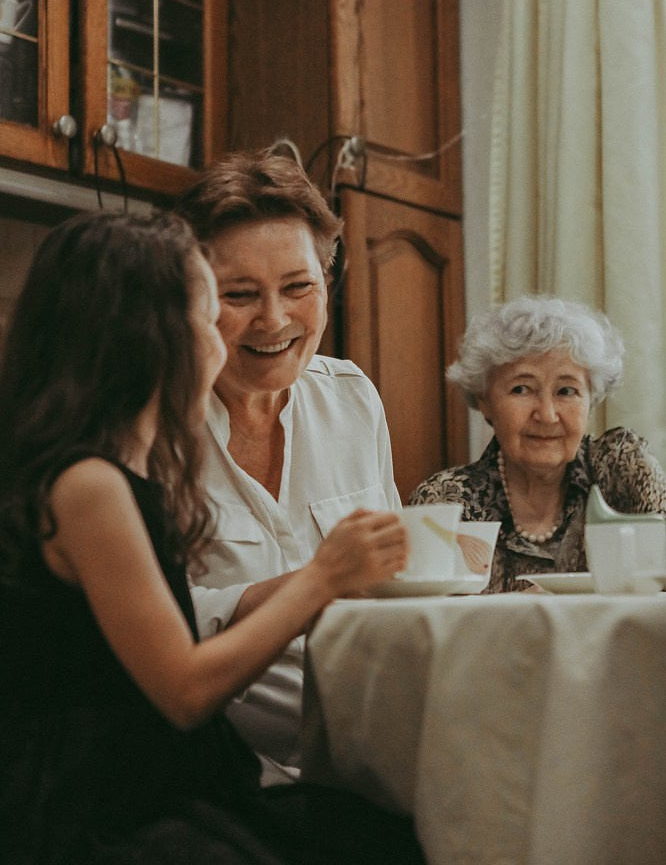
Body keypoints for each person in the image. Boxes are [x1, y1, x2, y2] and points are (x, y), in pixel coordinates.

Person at [0, 211, 425, 865]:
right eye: (209, 316)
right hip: (97, 802)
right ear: (149, 337)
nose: (221, 344)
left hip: (153, 779)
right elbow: (186, 693)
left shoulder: (124, 470)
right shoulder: (89, 486)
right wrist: (322, 578)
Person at [177, 150, 400, 783]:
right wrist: (309, 586)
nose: (274, 320)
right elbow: (141, 625)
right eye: (240, 295)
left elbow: (390, 581)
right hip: (223, 776)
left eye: (298, 287)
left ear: (328, 283)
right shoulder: (151, 424)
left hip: (373, 754)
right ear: (191, 300)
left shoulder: (353, 397)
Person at [410, 294, 666, 592]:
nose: (547, 414)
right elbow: (429, 616)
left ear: (591, 400)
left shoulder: (621, 468)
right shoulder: (448, 503)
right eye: (522, 389)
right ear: (484, 401)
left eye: (566, 391)